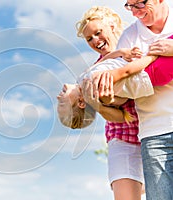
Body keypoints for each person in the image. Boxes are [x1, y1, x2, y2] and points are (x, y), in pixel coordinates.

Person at [59, 6, 145, 200]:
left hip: (153, 132)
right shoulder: (96, 71)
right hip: (124, 139)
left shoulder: (136, 45)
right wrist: (98, 104)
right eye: (89, 38)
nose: (95, 40)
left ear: (112, 25)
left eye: (98, 33)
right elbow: (119, 118)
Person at [96, 1, 173, 199]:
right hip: (155, 134)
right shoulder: (130, 37)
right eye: (129, 6)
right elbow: (121, 92)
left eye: (139, 4)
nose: (135, 13)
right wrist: (104, 94)